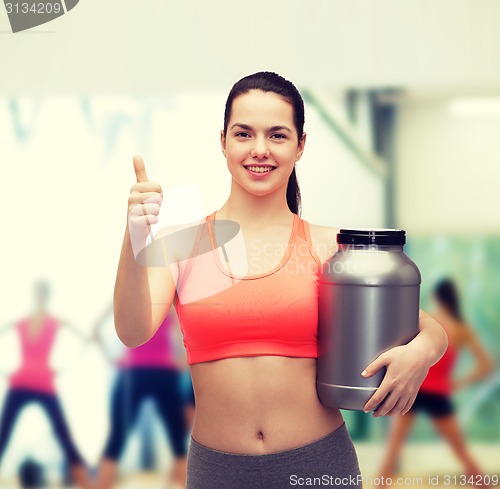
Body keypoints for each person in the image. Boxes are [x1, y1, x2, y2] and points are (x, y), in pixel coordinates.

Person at [113, 72, 449, 488]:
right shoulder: (182, 245)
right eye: (243, 134)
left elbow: (425, 327)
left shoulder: (329, 247)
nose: (259, 150)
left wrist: (422, 354)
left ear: (300, 145)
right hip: (218, 473)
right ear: (223, 142)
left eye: (277, 135)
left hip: (319, 464)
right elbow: (132, 331)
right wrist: (136, 239)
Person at [376, 278, 495, 483]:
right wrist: (458, 383)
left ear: (436, 297)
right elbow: (486, 365)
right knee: (461, 452)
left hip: (415, 390)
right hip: (438, 394)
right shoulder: (462, 329)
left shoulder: (428, 322)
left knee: (393, 449)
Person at [0, 280, 92, 489]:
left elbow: (86, 340)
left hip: (40, 384)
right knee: (3, 436)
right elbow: (87, 340)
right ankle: (87, 482)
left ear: (44, 296)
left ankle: (87, 483)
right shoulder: (24, 321)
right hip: (22, 383)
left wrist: (63, 367)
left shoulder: (50, 322)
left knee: (64, 437)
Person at [93, 304, 193, 489]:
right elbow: (181, 334)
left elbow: (96, 328)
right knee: (177, 439)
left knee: (117, 438)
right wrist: (182, 360)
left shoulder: (135, 296)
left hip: (135, 373)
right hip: (158, 374)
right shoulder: (166, 301)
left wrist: (110, 357)